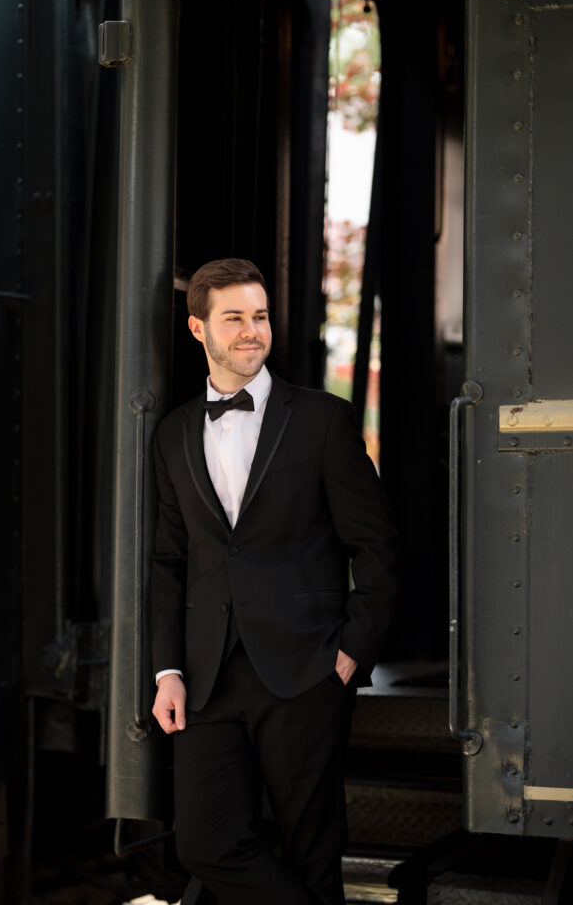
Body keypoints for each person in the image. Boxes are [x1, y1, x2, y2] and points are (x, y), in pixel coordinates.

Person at [151, 258, 398, 905]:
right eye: (233, 318)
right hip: (206, 676)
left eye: (258, 316)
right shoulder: (173, 433)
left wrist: (349, 654)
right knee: (202, 842)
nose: (251, 331)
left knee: (312, 849)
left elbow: (373, 545)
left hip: (304, 666)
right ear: (197, 328)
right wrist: (166, 671)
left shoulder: (321, 420)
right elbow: (170, 560)